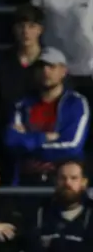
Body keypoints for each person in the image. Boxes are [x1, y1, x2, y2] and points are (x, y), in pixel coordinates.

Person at [5, 47, 90, 186]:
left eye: (51, 66)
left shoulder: (76, 103)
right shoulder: (22, 104)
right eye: (41, 66)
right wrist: (45, 137)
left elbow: (72, 146)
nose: (45, 71)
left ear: (63, 71)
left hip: (63, 181)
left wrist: (28, 143)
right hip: (27, 180)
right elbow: (11, 141)